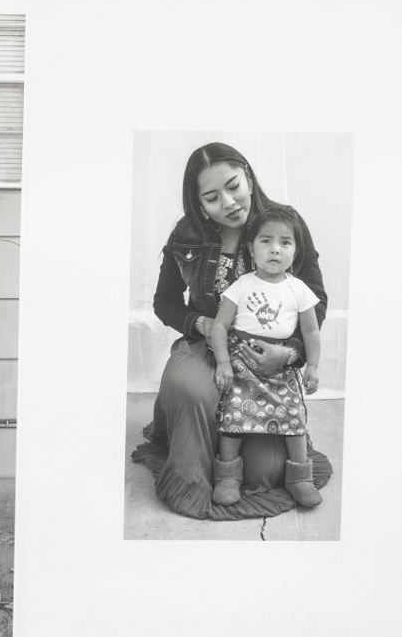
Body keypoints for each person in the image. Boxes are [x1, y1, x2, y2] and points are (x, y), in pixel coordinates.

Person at [132, 143, 332, 519]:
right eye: (212, 197)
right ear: (200, 205)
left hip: (268, 357)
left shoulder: (284, 223)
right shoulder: (187, 234)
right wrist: (201, 324)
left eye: (233, 185)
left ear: (249, 176)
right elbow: (166, 301)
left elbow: (314, 299)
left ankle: (234, 454)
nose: (228, 201)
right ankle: (189, 457)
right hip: (208, 343)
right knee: (191, 391)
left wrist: (289, 354)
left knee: (263, 471)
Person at [208, 206, 323, 507]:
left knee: (294, 419)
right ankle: (227, 477)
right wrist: (222, 362)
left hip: (281, 368)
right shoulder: (242, 285)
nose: (275, 249)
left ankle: (301, 478)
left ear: (296, 252)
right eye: (266, 241)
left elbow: (311, 333)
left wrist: (312, 365)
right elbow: (220, 326)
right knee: (232, 417)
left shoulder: (299, 290)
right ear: (251, 248)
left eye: (285, 242)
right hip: (242, 364)